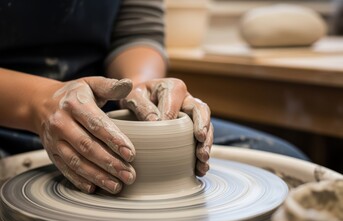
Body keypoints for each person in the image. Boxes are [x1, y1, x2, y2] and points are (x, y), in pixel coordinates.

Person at [0, 0, 307, 194]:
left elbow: (137, 32)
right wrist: (37, 102)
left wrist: (139, 87)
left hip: (101, 112)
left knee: (289, 166)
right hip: (8, 112)